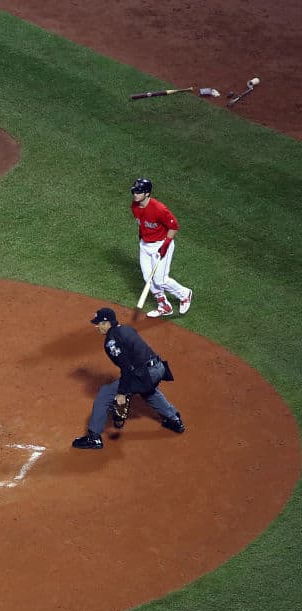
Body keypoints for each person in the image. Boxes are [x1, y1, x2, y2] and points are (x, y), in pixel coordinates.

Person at [72, 307, 185, 449]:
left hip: (146, 373)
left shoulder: (111, 342)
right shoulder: (126, 329)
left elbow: (126, 368)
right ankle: (174, 420)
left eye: (99, 323)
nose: (97, 326)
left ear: (107, 323)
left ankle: (93, 438)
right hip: (159, 368)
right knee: (147, 390)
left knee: (105, 393)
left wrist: (122, 393)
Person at [130, 177, 193, 317]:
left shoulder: (159, 208)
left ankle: (184, 294)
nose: (135, 194)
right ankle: (163, 305)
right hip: (145, 246)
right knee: (148, 277)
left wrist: (166, 244)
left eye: (138, 192)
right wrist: (142, 239)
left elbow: (174, 226)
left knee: (160, 279)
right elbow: (142, 224)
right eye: (134, 191)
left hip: (161, 244)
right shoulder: (134, 207)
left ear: (147, 193)